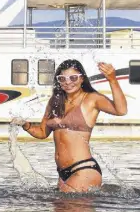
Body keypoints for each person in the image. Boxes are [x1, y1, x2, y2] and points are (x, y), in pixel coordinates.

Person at [12, 59, 127, 192]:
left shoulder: (91, 99)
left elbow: (121, 110)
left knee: (65, 205)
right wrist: (25, 124)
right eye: (62, 78)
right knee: (60, 211)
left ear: (82, 78)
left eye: (73, 77)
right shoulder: (55, 101)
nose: (68, 82)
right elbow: (43, 132)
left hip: (84, 169)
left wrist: (112, 79)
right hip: (63, 173)